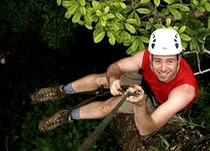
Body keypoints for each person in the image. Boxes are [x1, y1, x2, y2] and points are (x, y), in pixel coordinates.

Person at [30, 28, 199, 136]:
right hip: (143, 79)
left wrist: (139, 105)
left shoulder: (184, 91)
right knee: (101, 79)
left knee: (109, 106)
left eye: (169, 61)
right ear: (151, 56)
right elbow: (116, 66)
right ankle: (62, 91)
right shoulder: (145, 57)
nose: (163, 68)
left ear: (179, 59)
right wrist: (113, 79)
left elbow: (146, 129)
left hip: (154, 100)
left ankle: (67, 116)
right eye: (158, 61)